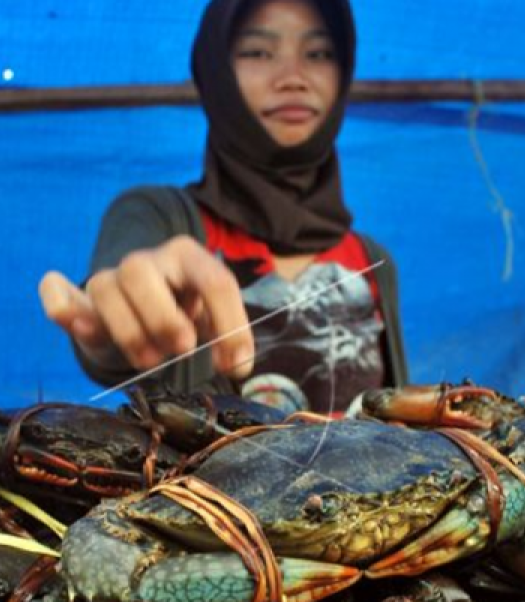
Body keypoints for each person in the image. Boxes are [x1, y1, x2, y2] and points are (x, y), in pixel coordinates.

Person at [39, 0, 407, 414]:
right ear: (215, 73)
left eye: (319, 54)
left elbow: (397, 420)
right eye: (258, 52)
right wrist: (113, 327)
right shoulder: (158, 217)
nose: (293, 78)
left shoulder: (373, 260)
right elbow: (113, 311)